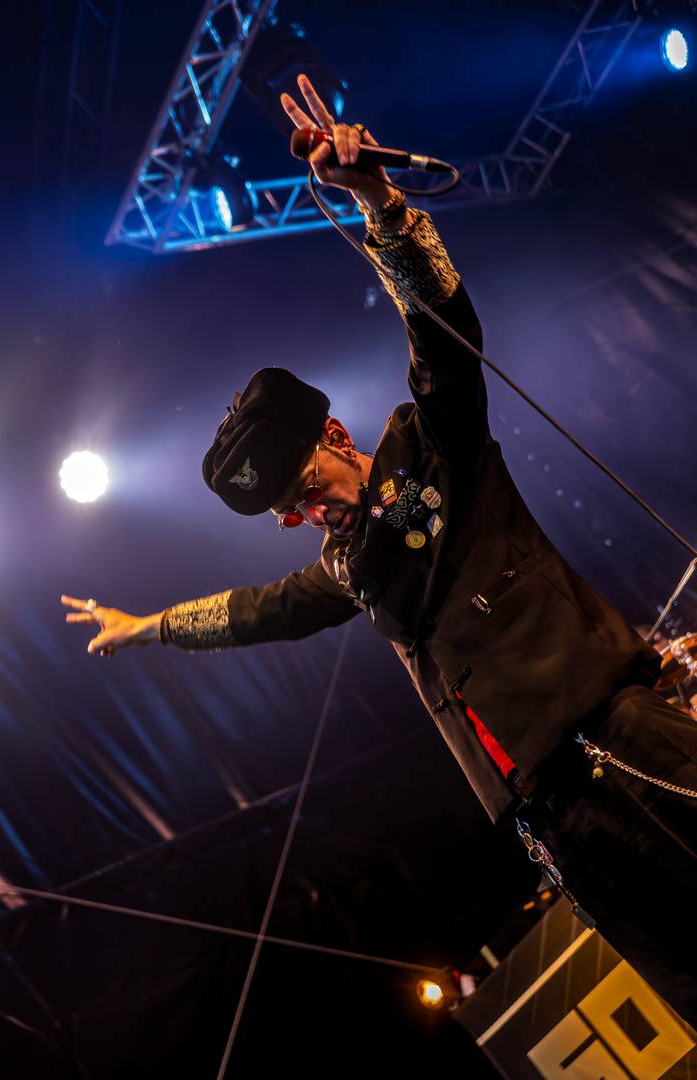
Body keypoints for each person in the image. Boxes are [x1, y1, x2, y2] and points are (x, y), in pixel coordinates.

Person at [62, 75, 697, 1025]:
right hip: (548, 814)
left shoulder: (433, 448)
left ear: (335, 438)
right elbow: (259, 613)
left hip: (611, 733)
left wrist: (376, 199)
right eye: (290, 512)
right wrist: (147, 624)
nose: (308, 513)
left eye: (306, 487)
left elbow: (446, 340)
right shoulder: (349, 570)